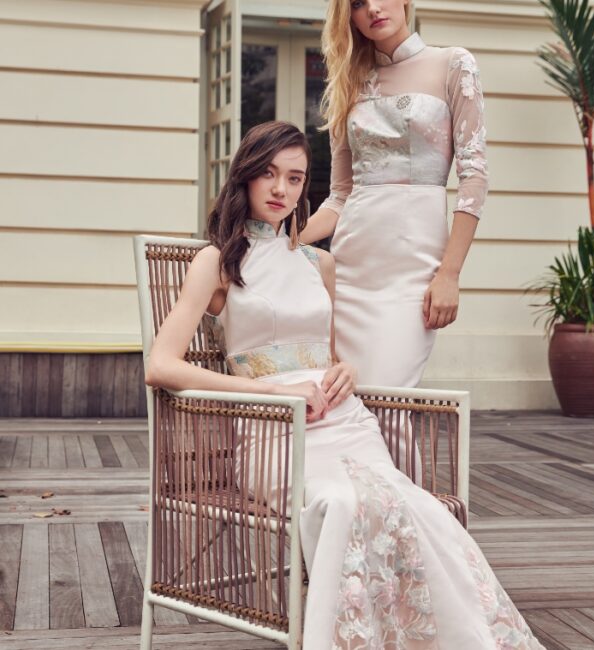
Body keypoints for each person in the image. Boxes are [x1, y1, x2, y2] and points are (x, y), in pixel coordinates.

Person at [146, 121, 543, 649]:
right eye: (268, 174)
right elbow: (160, 365)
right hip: (274, 433)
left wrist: (347, 370)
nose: (281, 189)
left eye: (294, 178)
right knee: (338, 501)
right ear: (244, 176)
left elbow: (326, 355)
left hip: (347, 424)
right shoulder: (217, 261)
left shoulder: (319, 263)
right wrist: (272, 393)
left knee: (415, 505)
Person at [301, 0, 488, 388]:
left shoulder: (453, 64)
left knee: (389, 393)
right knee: (345, 397)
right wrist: (285, 238)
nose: (372, 9)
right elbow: (340, 197)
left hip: (414, 271)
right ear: (349, 17)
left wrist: (449, 274)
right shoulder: (348, 83)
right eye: (357, 4)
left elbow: (473, 178)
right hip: (351, 269)